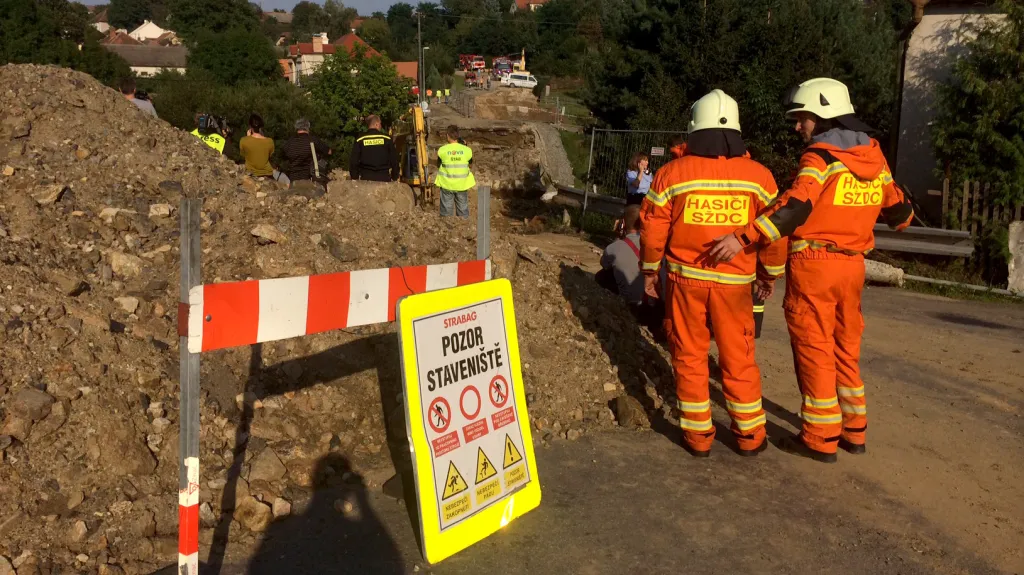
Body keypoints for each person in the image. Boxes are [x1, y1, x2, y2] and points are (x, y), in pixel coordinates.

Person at [706, 78, 914, 463]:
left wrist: (743, 237)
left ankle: (819, 437)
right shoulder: (876, 158)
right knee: (845, 348)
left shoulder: (820, 158)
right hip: (853, 267)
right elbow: (901, 214)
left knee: (814, 348)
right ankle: (854, 430)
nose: (797, 127)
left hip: (815, 264)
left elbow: (794, 208)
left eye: (802, 119)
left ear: (822, 116)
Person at [640, 89, 787, 458]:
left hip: (684, 282)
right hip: (736, 286)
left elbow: (653, 229)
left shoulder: (671, 173)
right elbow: (774, 233)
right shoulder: (760, 177)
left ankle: (698, 437)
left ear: (694, 127)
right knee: (738, 358)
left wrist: (648, 271)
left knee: (689, 356)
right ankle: (751, 436)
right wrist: (769, 276)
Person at [597, 205, 666, 330]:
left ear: (622, 223)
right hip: (658, 310)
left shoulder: (613, 248)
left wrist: (618, 236)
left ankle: (615, 309)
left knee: (602, 275)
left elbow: (604, 264)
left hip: (634, 310)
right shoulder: (658, 245)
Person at [435, 126, 475, 218]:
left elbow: (438, 165)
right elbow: (470, 164)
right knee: (463, 211)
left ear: (448, 136)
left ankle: (447, 230)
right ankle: (463, 229)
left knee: (446, 213)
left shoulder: (442, 150)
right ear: (458, 136)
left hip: (446, 184)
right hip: (461, 185)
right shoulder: (467, 150)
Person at [239, 114, 288, 185]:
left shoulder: (243, 140)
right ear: (261, 127)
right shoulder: (270, 141)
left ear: (250, 127)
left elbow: (243, 155)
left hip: (251, 174)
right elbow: (269, 155)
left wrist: (248, 138)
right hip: (268, 174)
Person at [282, 118, 331, 188]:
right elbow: (329, 152)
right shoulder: (312, 140)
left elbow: (283, 157)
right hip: (310, 180)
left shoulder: (289, 142)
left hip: (293, 181)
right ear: (308, 127)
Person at [349, 115, 399, 182]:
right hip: (384, 178)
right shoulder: (387, 139)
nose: (381, 126)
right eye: (380, 123)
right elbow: (394, 160)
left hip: (366, 178)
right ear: (376, 124)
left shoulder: (360, 139)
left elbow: (354, 161)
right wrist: (395, 176)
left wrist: (354, 177)